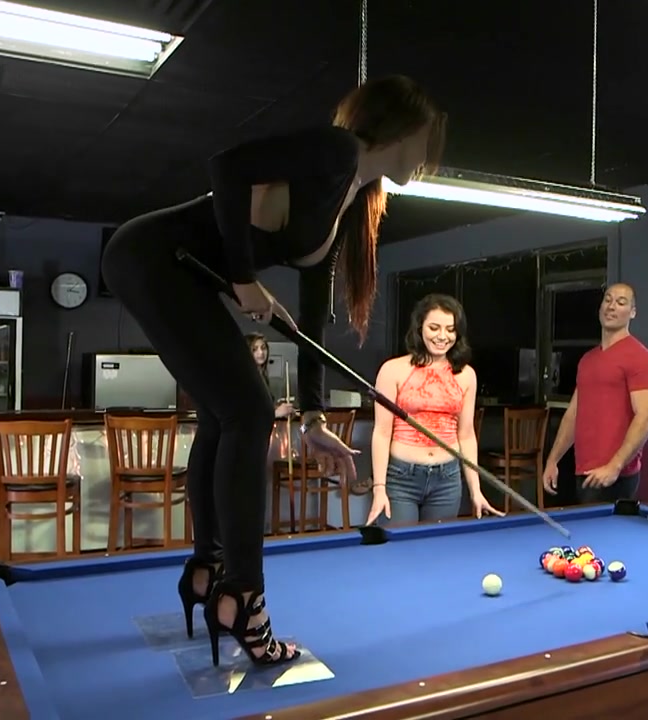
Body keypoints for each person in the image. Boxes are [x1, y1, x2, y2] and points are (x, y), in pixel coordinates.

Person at [101, 75, 445, 668]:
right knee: (249, 411)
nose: (429, 156)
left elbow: (310, 322)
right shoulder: (338, 151)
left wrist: (313, 417)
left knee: (226, 414)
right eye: (428, 140)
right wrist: (242, 279)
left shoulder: (348, 198)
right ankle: (244, 598)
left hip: (173, 270)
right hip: (153, 257)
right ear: (403, 129)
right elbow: (228, 166)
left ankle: (208, 572)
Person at [367, 294, 502, 526]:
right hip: (401, 478)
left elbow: (466, 435)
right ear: (420, 327)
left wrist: (476, 490)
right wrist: (379, 488)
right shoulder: (392, 370)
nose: (442, 336)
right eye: (434, 328)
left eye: (450, 330)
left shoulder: (467, 375)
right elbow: (381, 432)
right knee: (401, 545)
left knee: (438, 547)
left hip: (447, 480)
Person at [542, 283, 648, 505]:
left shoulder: (641, 359)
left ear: (632, 312)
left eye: (621, 302)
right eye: (608, 300)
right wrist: (553, 460)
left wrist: (614, 466)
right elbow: (573, 414)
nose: (611, 306)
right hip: (585, 472)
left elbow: (646, 418)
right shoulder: (588, 360)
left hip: (615, 476)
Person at [246, 332, 295, 420]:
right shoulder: (245, 379)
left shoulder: (262, 378)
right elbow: (246, 414)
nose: (261, 353)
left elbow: (262, 408)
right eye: (254, 349)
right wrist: (275, 413)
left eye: (263, 348)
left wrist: (281, 410)